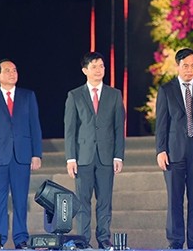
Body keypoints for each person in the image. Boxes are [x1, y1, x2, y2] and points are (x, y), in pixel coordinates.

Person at [155, 48, 193, 250]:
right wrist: (161, 150)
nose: (189, 70)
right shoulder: (166, 90)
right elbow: (162, 124)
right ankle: (175, 242)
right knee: (175, 199)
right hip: (174, 153)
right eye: (185, 66)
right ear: (178, 66)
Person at [64, 52, 126, 249]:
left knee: (104, 201)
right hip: (83, 156)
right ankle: (83, 241)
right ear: (85, 71)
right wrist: (70, 158)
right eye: (94, 66)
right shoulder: (74, 95)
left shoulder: (114, 94)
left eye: (101, 66)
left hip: (107, 156)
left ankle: (104, 239)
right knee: (82, 201)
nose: (99, 70)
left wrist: (118, 155)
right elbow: (70, 129)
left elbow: (118, 128)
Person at [0, 59, 43, 249]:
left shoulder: (28, 96)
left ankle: (21, 238)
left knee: (20, 200)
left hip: (22, 156)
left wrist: (36, 153)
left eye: (14, 70)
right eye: (7, 70)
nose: (12, 73)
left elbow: (35, 126)